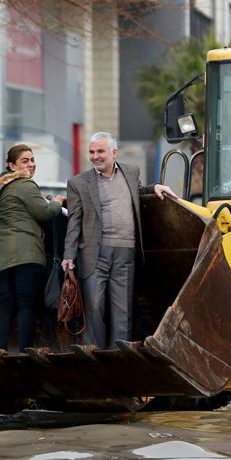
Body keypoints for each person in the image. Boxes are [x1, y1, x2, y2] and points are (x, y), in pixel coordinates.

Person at [61, 132, 176, 349]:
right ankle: (92, 357)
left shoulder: (131, 172)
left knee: (122, 309)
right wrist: (69, 255)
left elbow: (136, 192)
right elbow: (74, 221)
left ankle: (118, 357)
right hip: (94, 253)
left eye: (100, 151)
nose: (95, 156)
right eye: (92, 152)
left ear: (114, 153)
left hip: (127, 251)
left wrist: (154, 188)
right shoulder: (78, 183)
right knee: (94, 307)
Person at [0, 145, 65, 352]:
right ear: (12, 165)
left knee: (6, 302)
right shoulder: (25, 184)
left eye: (32, 159)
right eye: (25, 161)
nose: (31, 164)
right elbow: (44, 213)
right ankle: (25, 350)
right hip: (24, 254)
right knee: (26, 303)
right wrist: (56, 201)